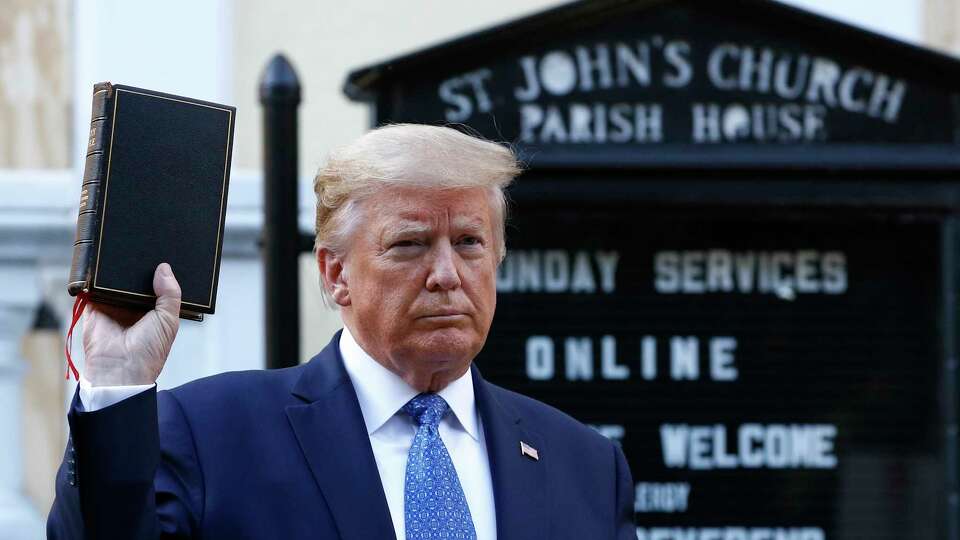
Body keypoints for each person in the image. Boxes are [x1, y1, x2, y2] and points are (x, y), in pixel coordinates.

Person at [47, 124, 636, 539]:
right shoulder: (213, 436)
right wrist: (118, 383)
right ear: (335, 272)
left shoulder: (585, 466)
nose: (447, 275)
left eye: (469, 243)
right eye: (409, 244)